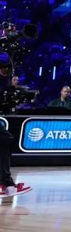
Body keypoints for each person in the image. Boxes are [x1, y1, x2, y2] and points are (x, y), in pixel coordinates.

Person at [0, 54, 30, 197]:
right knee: (5, 139)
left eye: (7, 67)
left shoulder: (4, 82)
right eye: (3, 67)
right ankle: (7, 183)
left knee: (5, 139)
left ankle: (7, 183)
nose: (5, 70)